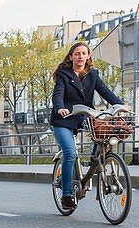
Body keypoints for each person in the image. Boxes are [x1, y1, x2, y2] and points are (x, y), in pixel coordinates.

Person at [51, 41, 124, 210]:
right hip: (64, 117)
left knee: (103, 135)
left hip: (84, 115)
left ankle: (95, 160)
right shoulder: (64, 74)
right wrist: (60, 107)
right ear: (71, 57)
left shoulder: (93, 74)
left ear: (88, 56)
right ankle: (67, 195)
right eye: (77, 53)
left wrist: (120, 105)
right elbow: (58, 94)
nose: (80, 56)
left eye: (84, 53)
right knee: (70, 154)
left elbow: (105, 91)